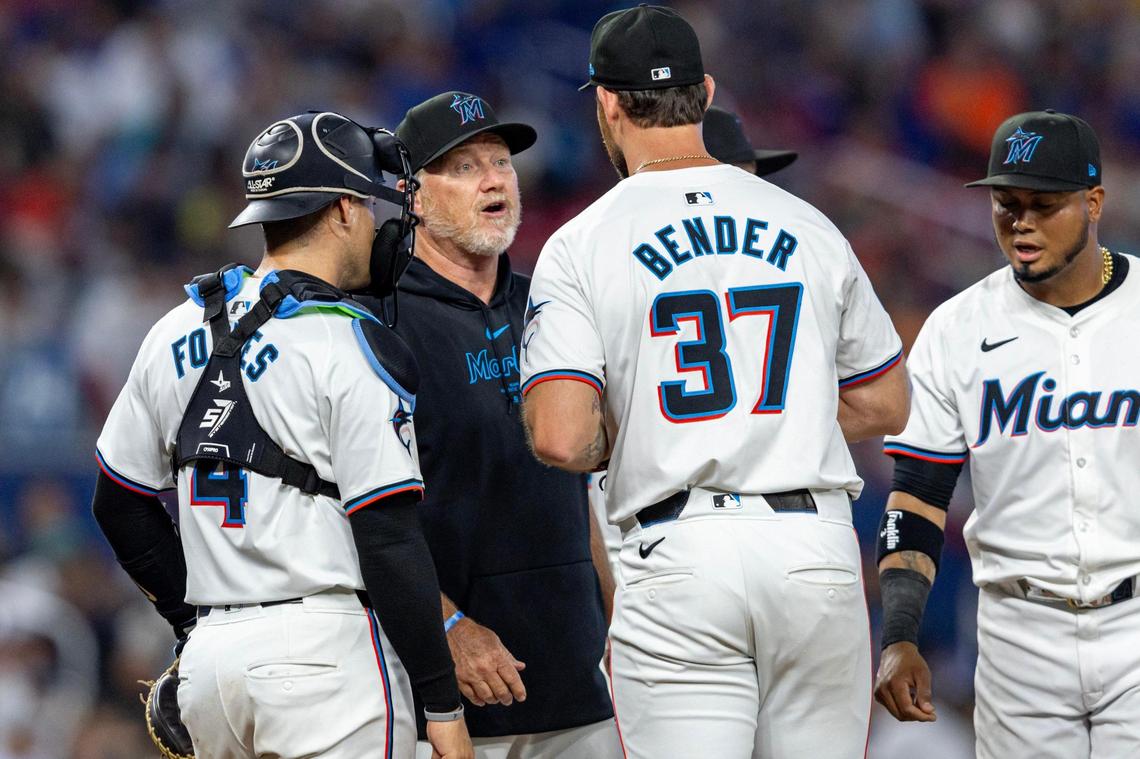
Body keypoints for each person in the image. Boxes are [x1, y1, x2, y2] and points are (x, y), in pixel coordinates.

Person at [519, 6, 910, 759]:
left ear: (605, 101)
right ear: (704, 90)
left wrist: (654, 427)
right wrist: (780, 417)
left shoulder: (581, 242)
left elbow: (560, 434)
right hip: (813, 547)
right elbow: (887, 400)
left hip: (680, 553)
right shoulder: (807, 223)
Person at [91, 110, 473, 759]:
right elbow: (388, 536)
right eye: (373, 204)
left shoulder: (174, 328)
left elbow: (117, 501)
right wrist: (441, 703)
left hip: (211, 667)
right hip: (324, 654)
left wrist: (192, 622)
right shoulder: (347, 339)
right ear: (347, 209)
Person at [357, 90, 622, 759]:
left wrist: (621, 619)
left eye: (501, 161)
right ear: (412, 194)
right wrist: (445, 624)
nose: (495, 178)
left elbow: (585, 494)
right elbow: (352, 511)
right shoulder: (373, 324)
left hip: (579, 679)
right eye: (466, 165)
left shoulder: (553, 307)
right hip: (442, 696)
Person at [875, 109, 1140, 759]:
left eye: (1044, 205)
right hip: (1019, 636)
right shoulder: (955, 329)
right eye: (1006, 203)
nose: (1020, 222)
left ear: (1094, 202)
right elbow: (915, 501)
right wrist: (900, 634)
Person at [588, 105, 800, 576]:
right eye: (743, 176)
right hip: (650, 515)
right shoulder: (618, 264)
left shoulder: (609, 256)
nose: (753, 194)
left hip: (726, 528)